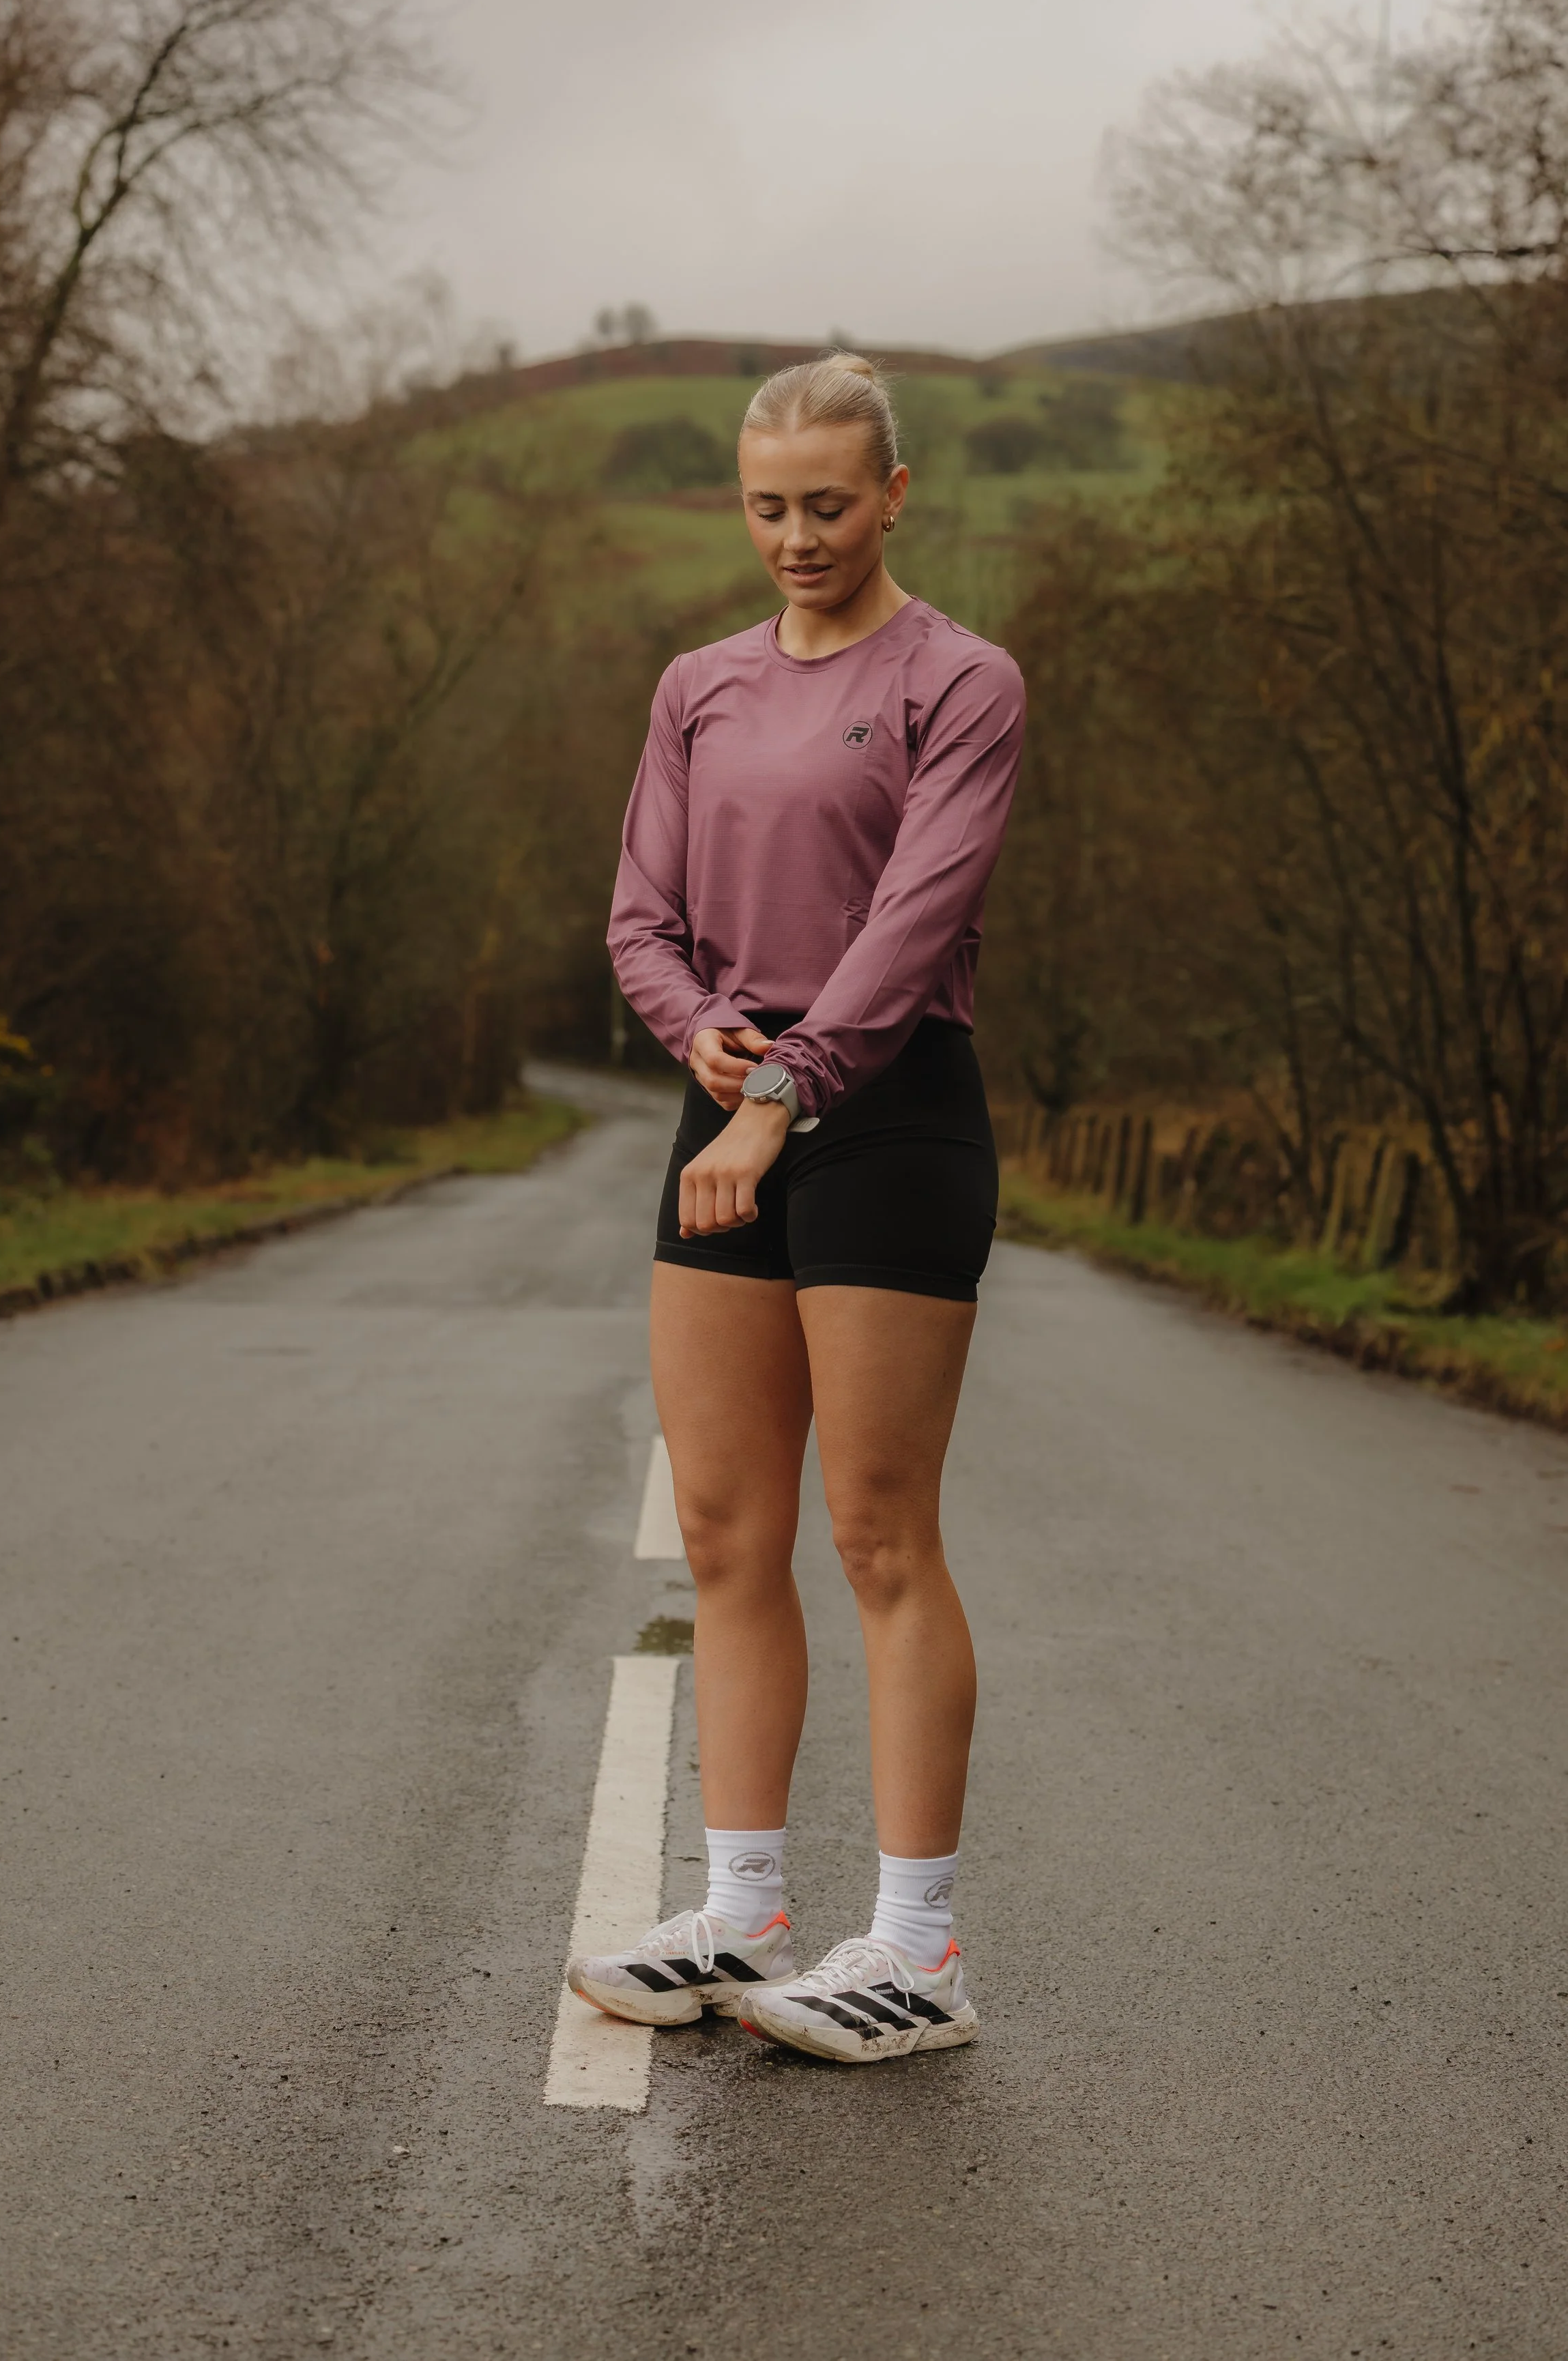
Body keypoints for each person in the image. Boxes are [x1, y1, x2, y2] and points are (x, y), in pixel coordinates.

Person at [567, 353, 1026, 2064]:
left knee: (879, 1539)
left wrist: (774, 1097)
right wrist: (699, 1035)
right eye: (766, 506)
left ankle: (919, 1951)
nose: (795, 537)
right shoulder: (697, 687)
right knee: (721, 1537)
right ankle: (741, 1913)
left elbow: (912, 928)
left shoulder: (961, 682)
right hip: (725, 1109)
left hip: (885, 1117)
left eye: (827, 504)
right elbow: (637, 917)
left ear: (893, 492)